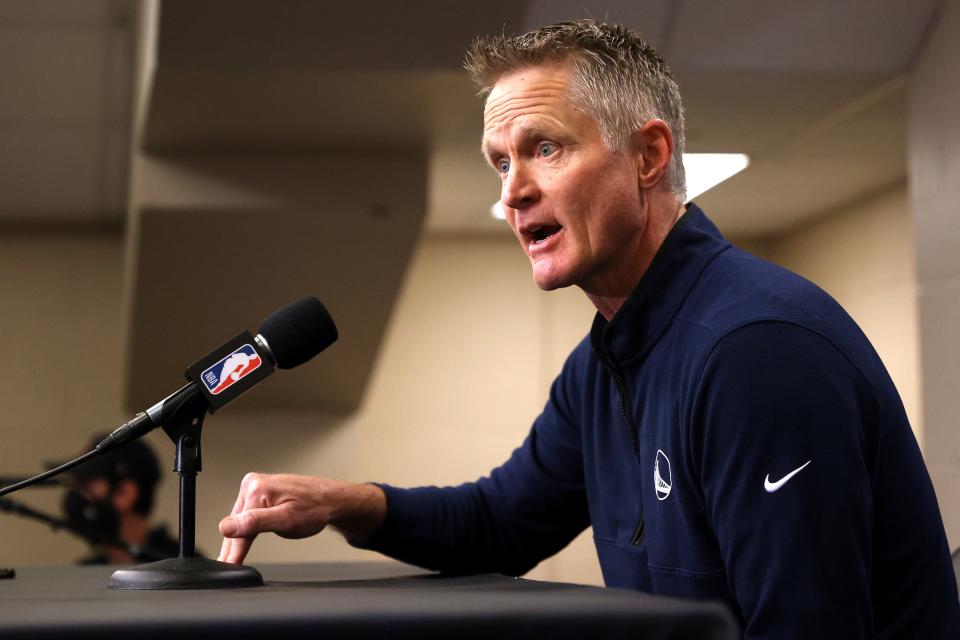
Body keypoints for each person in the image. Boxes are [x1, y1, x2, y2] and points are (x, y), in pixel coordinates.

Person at [217, 20, 960, 637]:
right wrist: (347, 503)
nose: (512, 192)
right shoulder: (606, 359)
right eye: (499, 161)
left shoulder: (754, 350)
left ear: (649, 155)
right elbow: (502, 522)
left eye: (544, 148)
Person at [60, 434, 179, 564]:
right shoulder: (85, 572)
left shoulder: (184, 567)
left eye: (84, 485)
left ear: (124, 493)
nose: (76, 495)